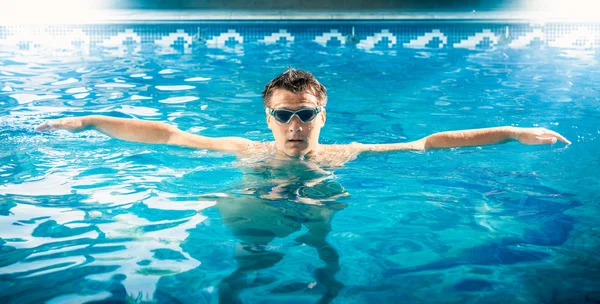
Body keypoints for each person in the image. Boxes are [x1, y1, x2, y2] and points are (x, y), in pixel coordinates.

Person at [35, 67, 571, 168]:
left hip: (321, 195)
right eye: (284, 116)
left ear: (321, 113)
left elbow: (427, 144)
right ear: (267, 117)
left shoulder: (345, 153)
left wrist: (510, 131)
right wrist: (85, 121)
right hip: (256, 202)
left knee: (323, 233)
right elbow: (168, 134)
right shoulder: (246, 150)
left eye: (306, 114)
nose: (295, 126)